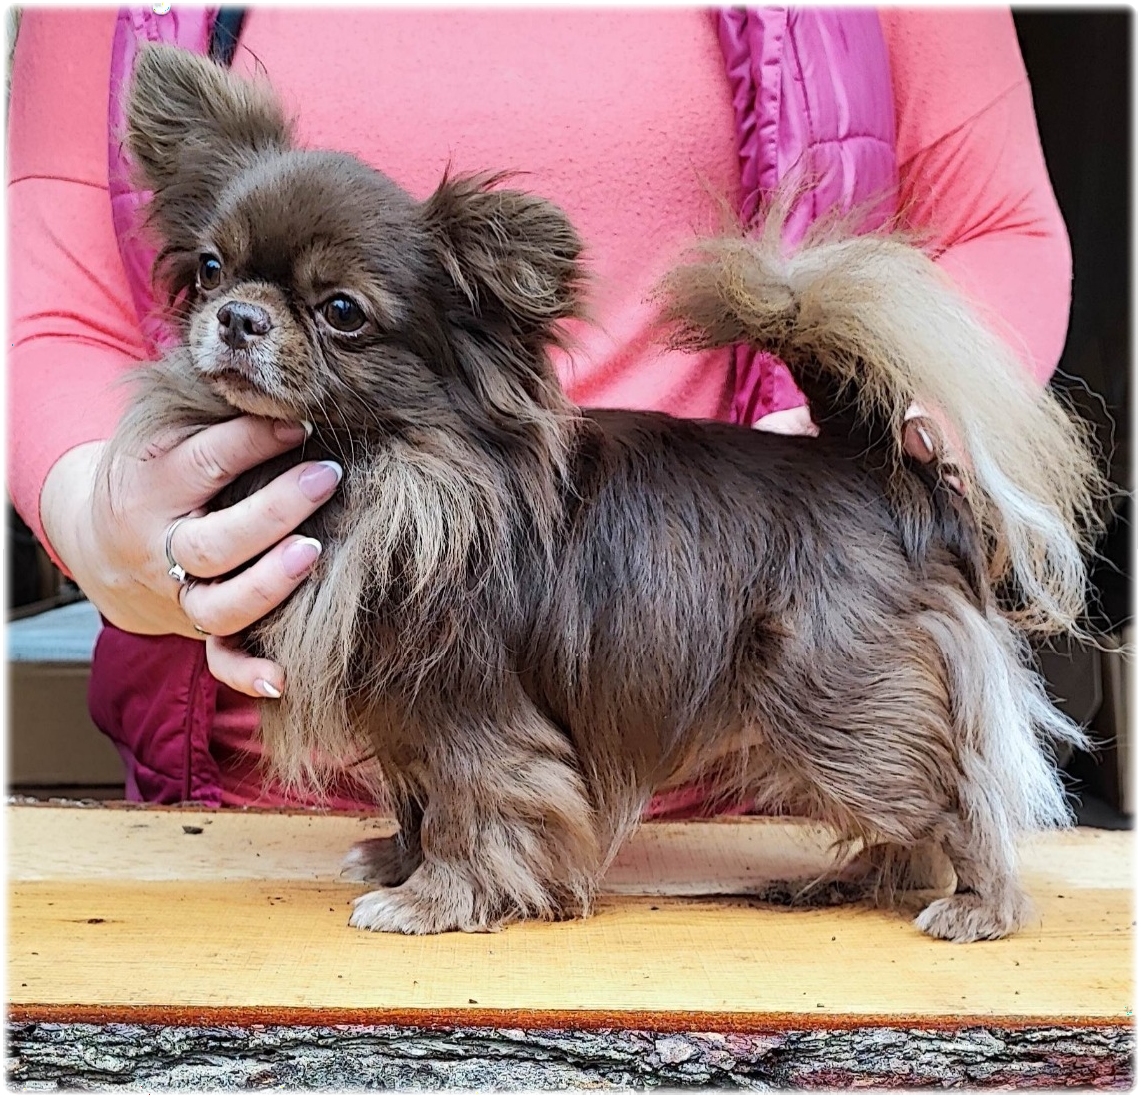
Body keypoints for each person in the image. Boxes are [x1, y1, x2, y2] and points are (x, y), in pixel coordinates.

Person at [8, 8, 1072, 811]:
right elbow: (45, 309)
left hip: (767, 749)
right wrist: (103, 519)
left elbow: (997, 225)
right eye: (214, 274)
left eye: (336, 310)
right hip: (228, 816)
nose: (240, 315)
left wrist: (903, 445)